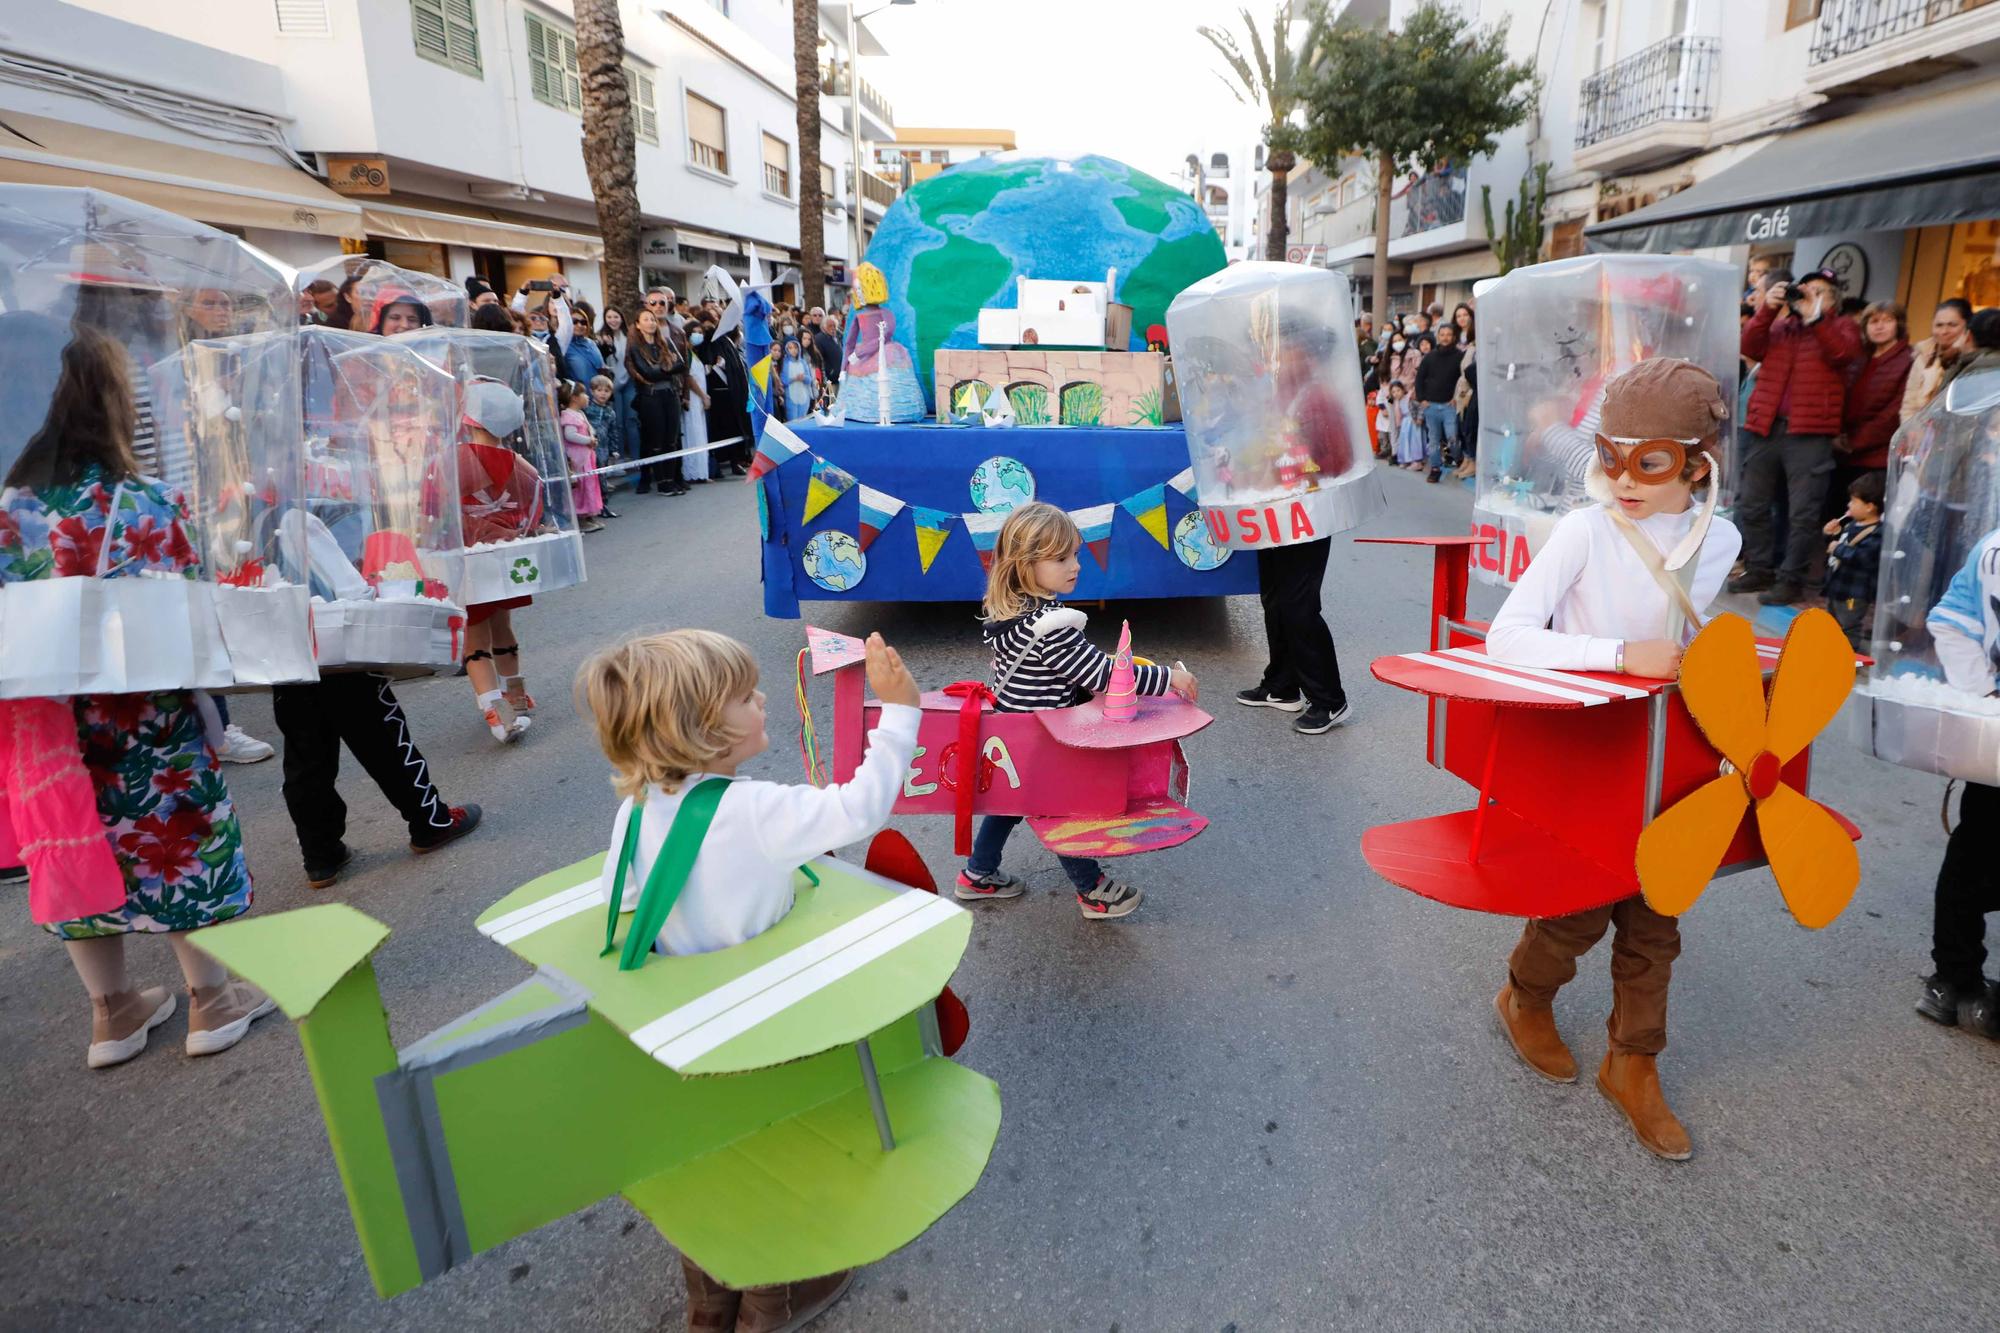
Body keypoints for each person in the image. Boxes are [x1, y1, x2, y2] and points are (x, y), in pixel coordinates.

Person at [580, 627, 923, 1331]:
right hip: (768, 1028)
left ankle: (710, 1303)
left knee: (707, 1161)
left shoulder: (634, 808)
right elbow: (860, 808)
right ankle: (776, 1300)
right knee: (784, 1153)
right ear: (704, 729)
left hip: (686, 1036)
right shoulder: (753, 809)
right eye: (743, 695)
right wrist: (901, 712)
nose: (763, 697)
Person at [0, 319, 275, 1066]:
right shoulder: (149, 503)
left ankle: (112, 1012)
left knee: (74, 845)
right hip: (144, 714)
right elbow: (196, 613)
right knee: (178, 837)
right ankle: (210, 998)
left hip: (43, 726)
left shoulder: (8, 514)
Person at [1486, 358, 1740, 1161]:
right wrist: (1616, 652)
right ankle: (1525, 996)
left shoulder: (1720, 536)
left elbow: (1696, 643)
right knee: (1581, 903)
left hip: (1675, 748)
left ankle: (1634, 1062)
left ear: (1697, 462)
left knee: (1658, 910)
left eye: (1650, 460)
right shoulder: (1584, 529)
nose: (1623, 479)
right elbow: (1509, 635)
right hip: (1591, 746)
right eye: (1609, 455)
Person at [957, 504, 1196, 919]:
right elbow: (1103, 676)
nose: (1076, 566)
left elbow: (1077, 665)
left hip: (1013, 727)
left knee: (1011, 802)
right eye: (1062, 558)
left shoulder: (1011, 611)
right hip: (1045, 737)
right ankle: (1093, 890)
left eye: (1076, 555)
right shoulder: (1053, 626)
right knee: (1063, 805)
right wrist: (1167, 679)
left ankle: (978, 873)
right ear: (1025, 564)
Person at [1730, 266, 1865, 606]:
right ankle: (1760, 568)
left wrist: (1815, 317)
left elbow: (1843, 354)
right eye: (1804, 290)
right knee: (1752, 502)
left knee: (1803, 512)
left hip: (1809, 432)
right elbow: (1749, 345)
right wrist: (1768, 308)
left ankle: (1791, 578)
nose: (1808, 297)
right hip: (1766, 426)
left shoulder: (1842, 327)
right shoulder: (1780, 326)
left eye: (1818, 292)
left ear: (1831, 299)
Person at [1914, 520, 2000, 1036]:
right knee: (1975, 855)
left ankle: (1951, 981)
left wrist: (1986, 700)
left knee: (1973, 854)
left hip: (1996, 738)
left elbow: (1951, 619)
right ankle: (1956, 979)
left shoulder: (1992, 545)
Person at [458, 378, 542, 741]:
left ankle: (491, 704)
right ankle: (516, 694)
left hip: (466, 561)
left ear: (468, 420)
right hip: (507, 560)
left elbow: (431, 511)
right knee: (502, 627)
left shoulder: (453, 462)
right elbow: (533, 513)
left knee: (474, 635)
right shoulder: (522, 468)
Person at [1833, 300, 1911, 519]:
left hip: (1878, 457)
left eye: (1887, 320)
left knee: (1868, 523)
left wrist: (1854, 443)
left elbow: (1895, 411)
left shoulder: (1909, 359)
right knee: (1839, 519)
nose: (1879, 326)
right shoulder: (1858, 357)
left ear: (1899, 325)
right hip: (1844, 454)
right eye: (1873, 321)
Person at [626, 305, 688, 496]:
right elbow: (647, 373)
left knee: (672, 439)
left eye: (652, 319)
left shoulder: (665, 343)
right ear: (637, 325)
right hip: (651, 397)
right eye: (646, 319)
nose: (651, 323)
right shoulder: (636, 348)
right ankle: (661, 481)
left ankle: (671, 479)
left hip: (670, 394)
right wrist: (666, 370)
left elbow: (681, 364)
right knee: (656, 440)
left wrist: (662, 370)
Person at [1821, 471, 1884, 650]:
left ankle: (1848, 660)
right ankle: (1831, 653)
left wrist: (1838, 548)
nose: (1849, 505)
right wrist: (1829, 534)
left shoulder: (1878, 533)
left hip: (1854, 592)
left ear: (1870, 507)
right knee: (1832, 622)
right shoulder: (1852, 525)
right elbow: (1835, 546)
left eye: (1854, 501)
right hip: (1838, 586)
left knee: (1849, 626)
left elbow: (1862, 557)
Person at [1902, 298, 1973, 423]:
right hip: (1919, 433)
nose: (1944, 331)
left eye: (1952, 325)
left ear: (1967, 325)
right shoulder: (1924, 355)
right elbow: (1909, 403)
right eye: (1939, 325)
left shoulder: (1972, 358)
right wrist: (1911, 432)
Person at [1412, 321, 1464, 483]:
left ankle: (1460, 460)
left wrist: (1457, 398)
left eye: (1449, 335)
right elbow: (1419, 379)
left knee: (1452, 437)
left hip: (1449, 406)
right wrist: (1422, 399)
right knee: (1433, 441)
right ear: (1438, 336)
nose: (1445, 338)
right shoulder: (1430, 357)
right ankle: (1435, 469)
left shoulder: (1459, 356)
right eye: (1442, 335)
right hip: (1431, 406)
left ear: (1453, 337)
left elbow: (1462, 380)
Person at [560, 380, 606, 533]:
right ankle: (581, 516)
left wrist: (592, 437)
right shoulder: (568, 416)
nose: (587, 397)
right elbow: (570, 435)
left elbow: (589, 428)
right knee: (581, 488)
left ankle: (589, 514)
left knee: (590, 485)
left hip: (587, 456)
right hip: (578, 459)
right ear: (574, 398)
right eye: (584, 394)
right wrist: (588, 440)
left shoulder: (580, 414)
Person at [583, 374, 624, 515]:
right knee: (591, 479)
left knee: (602, 478)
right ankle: (592, 506)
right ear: (592, 391)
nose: (603, 394)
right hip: (589, 448)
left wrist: (614, 449)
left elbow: (613, 431)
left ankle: (603, 505)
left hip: (604, 449)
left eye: (606, 391)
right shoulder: (586, 409)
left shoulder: (610, 412)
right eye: (599, 390)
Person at [682, 319, 714, 484]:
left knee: (700, 434)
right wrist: (703, 395)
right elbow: (689, 378)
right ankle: (693, 473)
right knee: (693, 434)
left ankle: (701, 472)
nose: (699, 335)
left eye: (701, 332)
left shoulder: (694, 352)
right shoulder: (685, 352)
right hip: (693, 399)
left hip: (699, 400)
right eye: (696, 332)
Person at [780, 337, 814, 420]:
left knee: (803, 421)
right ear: (786, 349)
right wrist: (794, 379)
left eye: (795, 347)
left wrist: (803, 378)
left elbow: (809, 379)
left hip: (804, 397)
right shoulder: (784, 363)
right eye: (790, 348)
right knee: (793, 422)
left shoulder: (803, 362)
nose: (794, 350)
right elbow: (783, 381)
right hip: (790, 398)